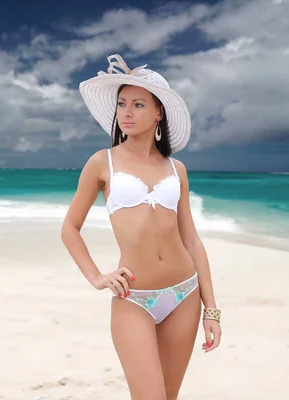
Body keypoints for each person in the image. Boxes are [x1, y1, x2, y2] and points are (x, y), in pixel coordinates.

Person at [61, 54, 222, 400]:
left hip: (184, 293)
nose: (127, 113)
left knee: (168, 395)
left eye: (138, 104)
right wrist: (97, 277)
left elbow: (191, 239)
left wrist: (211, 309)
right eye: (122, 104)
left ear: (158, 112)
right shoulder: (101, 163)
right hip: (133, 298)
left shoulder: (176, 168)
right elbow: (70, 228)